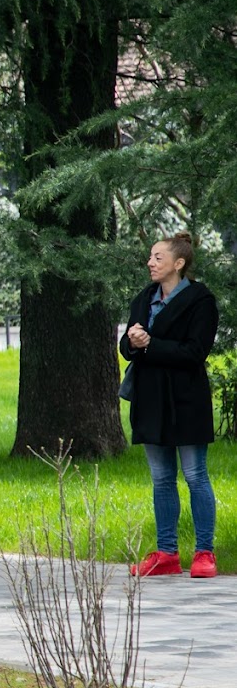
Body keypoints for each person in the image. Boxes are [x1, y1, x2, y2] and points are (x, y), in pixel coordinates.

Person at [121, 232, 220, 578]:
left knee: (195, 476)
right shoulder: (144, 298)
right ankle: (167, 554)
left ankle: (204, 552)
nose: (150, 262)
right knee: (162, 479)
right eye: (150, 257)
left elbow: (195, 351)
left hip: (186, 399)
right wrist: (132, 343)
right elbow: (127, 345)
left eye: (158, 258)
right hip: (150, 400)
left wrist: (150, 345)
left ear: (178, 263)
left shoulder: (200, 300)